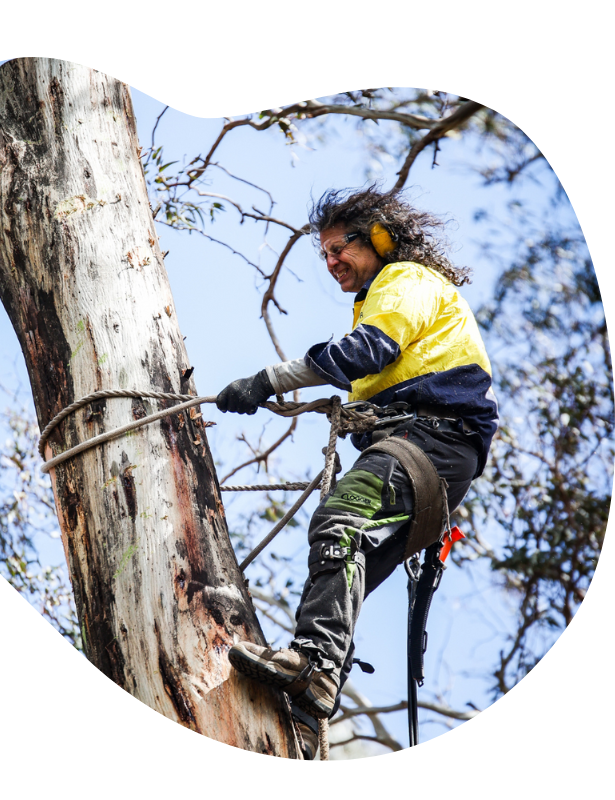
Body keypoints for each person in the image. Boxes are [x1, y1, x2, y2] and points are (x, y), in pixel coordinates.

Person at [217, 187, 499, 759]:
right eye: (322, 255)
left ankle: (314, 663)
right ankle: (315, 687)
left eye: (337, 247)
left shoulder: (406, 282)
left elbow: (365, 353)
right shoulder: (379, 297)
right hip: (431, 452)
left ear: (376, 236)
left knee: (340, 523)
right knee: (349, 564)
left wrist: (266, 381)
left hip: (432, 439)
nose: (331, 263)